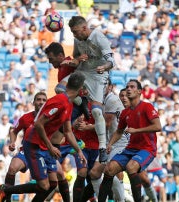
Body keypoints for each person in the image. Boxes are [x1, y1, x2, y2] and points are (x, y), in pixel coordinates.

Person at [0, 72, 87, 202]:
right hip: (34, 144)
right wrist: (50, 146)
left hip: (45, 146)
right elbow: (38, 124)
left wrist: (79, 152)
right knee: (44, 186)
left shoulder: (68, 104)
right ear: (81, 90)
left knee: (52, 184)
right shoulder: (60, 101)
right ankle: (6, 190)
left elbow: (67, 131)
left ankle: (6, 190)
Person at [98, 79, 162, 202]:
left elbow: (158, 126)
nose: (128, 89)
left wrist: (136, 130)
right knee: (109, 169)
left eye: (132, 87)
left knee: (131, 167)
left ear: (139, 91)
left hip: (147, 149)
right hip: (130, 149)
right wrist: (110, 144)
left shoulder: (147, 106)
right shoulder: (125, 112)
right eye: (127, 86)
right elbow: (119, 131)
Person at [67, 16, 116, 163]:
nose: (74, 35)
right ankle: (82, 103)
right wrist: (77, 59)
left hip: (98, 74)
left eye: (76, 32)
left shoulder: (99, 37)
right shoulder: (77, 40)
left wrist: (104, 67)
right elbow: (76, 56)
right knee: (59, 89)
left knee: (95, 111)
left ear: (84, 28)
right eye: (72, 32)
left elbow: (112, 61)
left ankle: (102, 147)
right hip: (83, 72)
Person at [2, 92, 47, 202]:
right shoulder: (26, 118)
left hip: (45, 153)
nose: (41, 102)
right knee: (12, 168)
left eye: (44, 100)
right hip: (28, 151)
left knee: (49, 184)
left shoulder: (51, 117)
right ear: (33, 102)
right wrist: (13, 142)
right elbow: (14, 131)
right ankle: (7, 197)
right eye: (38, 99)